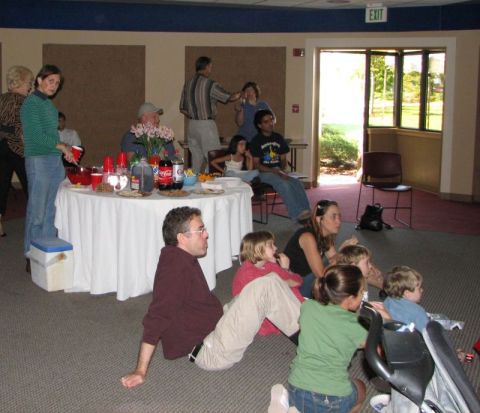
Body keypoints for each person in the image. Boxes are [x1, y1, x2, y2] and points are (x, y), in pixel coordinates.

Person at [121, 207, 302, 389]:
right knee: (266, 286)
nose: (206, 234)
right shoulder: (174, 270)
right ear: (182, 238)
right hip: (212, 350)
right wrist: (140, 371)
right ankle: (312, 342)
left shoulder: (179, 257)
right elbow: (157, 317)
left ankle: (310, 328)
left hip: (216, 327)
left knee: (268, 281)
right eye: (200, 230)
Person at [287, 265, 389, 413]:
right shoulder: (356, 325)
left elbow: (305, 328)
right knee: (360, 386)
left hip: (296, 388)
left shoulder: (308, 307)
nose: (363, 296)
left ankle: (292, 407)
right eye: (361, 292)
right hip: (333, 398)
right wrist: (385, 320)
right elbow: (380, 353)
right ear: (349, 298)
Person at [20, 64, 75, 271]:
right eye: (50, 81)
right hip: (38, 160)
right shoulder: (31, 104)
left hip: (53, 160)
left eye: (57, 83)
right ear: (39, 80)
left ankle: (46, 252)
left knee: (52, 210)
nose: (54, 85)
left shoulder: (50, 106)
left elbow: (51, 137)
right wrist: (61, 146)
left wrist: (64, 150)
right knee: (38, 211)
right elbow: (35, 137)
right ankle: (31, 254)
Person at [232, 231, 304, 336]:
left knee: (291, 289)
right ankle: (301, 317)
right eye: (271, 245)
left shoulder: (270, 265)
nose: (275, 248)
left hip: (274, 308)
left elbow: (298, 281)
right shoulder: (247, 272)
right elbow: (269, 293)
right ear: (257, 250)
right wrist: (286, 283)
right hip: (257, 316)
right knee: (288, 289)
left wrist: (286, 270)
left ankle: (302, 314)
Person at [179, 56, 241, 173]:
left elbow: (182, 108)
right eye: (210, 67)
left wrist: (195, 115)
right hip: (206, 125)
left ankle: (193, 183)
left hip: (192, 125)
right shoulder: (209, 84)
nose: (210, 70)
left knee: (196, 158)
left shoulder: (188, 84)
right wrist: (240, 94)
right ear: (207, 67)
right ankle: (210, 185)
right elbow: (229, 97)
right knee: (214, 157)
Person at [284, 200, 358, 297]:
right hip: (296, 284)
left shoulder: (326, 234)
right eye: (333, 217)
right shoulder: (307, 237)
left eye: (339, 216)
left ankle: (383, 286)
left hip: (309, 276)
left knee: (353, 259)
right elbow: (321, 275)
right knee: (345, 262)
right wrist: (342, 252)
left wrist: (346, 255)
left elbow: (334, 259)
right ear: (319, 219)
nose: (339, 221)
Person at [250, 109, 310, 221]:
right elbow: (257, 165)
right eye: (266, 121)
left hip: (278, 170)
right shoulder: (256, 141)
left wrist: (282, 170)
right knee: (284, 185)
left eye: (271, 120)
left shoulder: (278, 137)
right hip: (263, 172)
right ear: (259, 125)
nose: (270, 123)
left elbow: (283, 160)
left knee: (297, 183)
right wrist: (275, 172)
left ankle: (307, 211)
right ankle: (296, 215)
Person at [0, 65, 33, 238]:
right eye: (29, 82)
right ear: (20, 82)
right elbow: (25, 129)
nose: (30, 86)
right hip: (19, 149)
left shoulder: (2, 99)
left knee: (1, 185)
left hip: (2, 147)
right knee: (30, 184)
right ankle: (34, 223)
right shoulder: (25, 102)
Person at [383, 265, 429, 332]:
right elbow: (427, 332)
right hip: (411, 339)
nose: (422, 290)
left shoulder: (388, 300)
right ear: (407, 293)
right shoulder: (418, 312)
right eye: (419, 289)